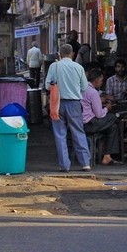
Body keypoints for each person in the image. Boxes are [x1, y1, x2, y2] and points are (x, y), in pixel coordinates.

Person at [44, 44, 92, 172]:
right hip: (74, 104)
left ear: (60, 53)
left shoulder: (54, 66)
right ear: (73, 54)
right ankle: (85, 163)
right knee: (78, 132)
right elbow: (84, 87)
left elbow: (48, 86)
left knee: (60, 134)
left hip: (57, 103)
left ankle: (64, 165)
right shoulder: (78, 67)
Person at [81, 68, 123, 166]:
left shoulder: (83, 87)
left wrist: (101, 100)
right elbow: (99, 114)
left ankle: (107, 156)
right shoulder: (93, 92)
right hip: (90, 124)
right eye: (101, 80)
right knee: (114, 117)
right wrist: (107, 108)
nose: (101, 82)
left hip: (81, 123)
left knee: (113, 128)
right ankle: (113, 152)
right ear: (96, 80)